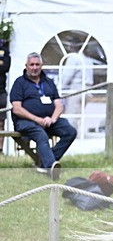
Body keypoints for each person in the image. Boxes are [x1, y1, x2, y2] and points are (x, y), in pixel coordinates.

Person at [9, 52, 77, 180]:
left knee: (70, 131)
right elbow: (17, 108)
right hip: (26, 122)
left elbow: (59, 105)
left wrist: (52, 119)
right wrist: (37, 119)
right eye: (31, 65)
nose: (34, 67)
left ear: (42, 66)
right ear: (26, 66)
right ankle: (51, 166)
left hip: (48, 120)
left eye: (37, 64)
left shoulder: (49, 82)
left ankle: (44, 162)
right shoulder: (19, 83)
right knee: (41, 134)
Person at [0, 38, 10, 132]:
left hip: (1, 91)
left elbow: (5, 67)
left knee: (1, 122)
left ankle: (0, 147)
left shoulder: (4, 50)